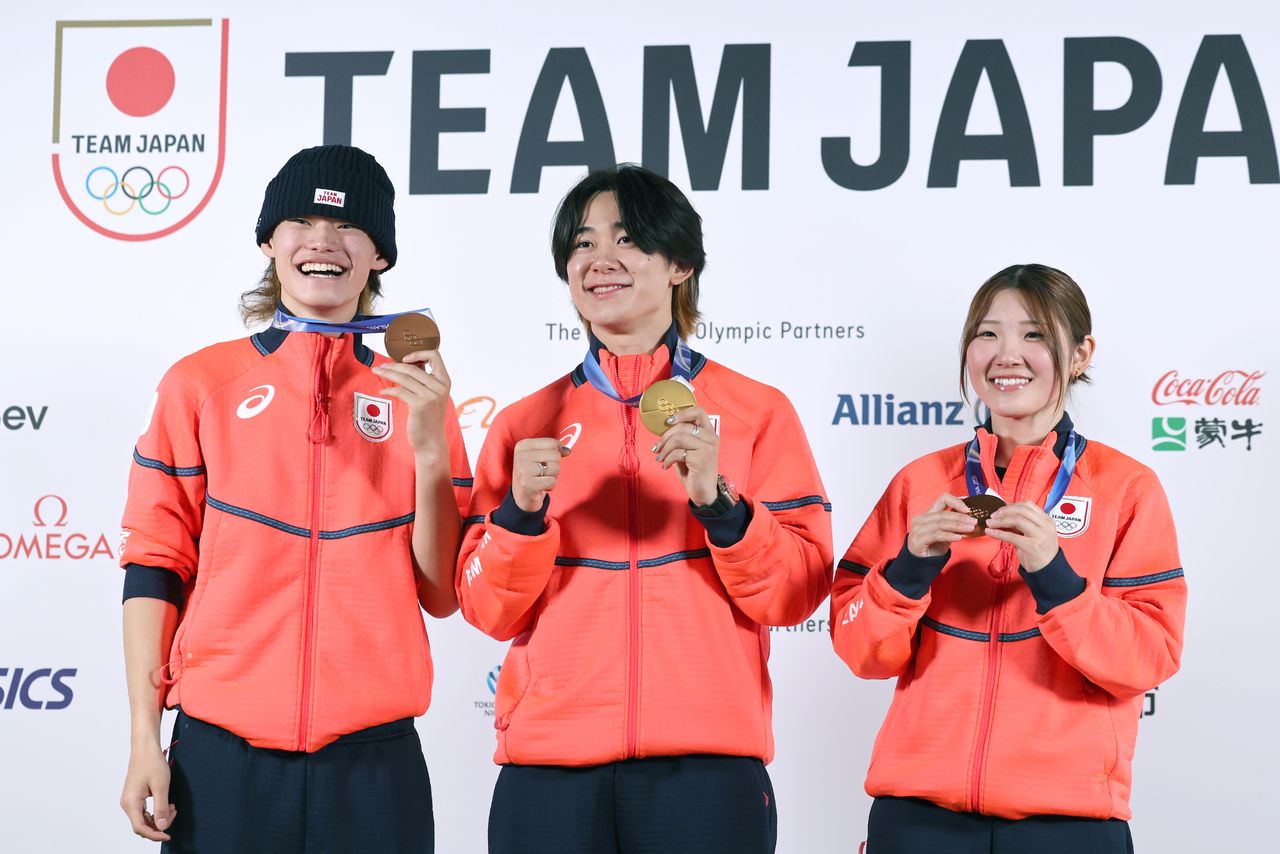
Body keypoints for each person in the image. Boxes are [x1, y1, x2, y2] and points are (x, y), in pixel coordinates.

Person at [456, 164, 833, 854]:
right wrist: (519, 515)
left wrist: (722, 507)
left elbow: (798, 592)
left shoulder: (757, 413)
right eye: (581, 245)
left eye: (626, 241)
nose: (600, 261)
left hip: (707, 772)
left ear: (679, 263)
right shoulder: (524, 423)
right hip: (549, 772)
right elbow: (487, 610)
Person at [117, 144, 469, 853]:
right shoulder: (200, 385)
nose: (324, 242)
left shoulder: (418, 396)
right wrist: (144, 739)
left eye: (349, 228)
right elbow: (154, 565)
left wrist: (430, 447)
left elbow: (441, 592)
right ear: (268, 240)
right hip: (220, 755)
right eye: (303, 220)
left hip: (375, 761)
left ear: (380, 257)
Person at [830, 263, 1187, 853]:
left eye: (1035, 335)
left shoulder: (1126, 487)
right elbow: (861, 652)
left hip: (1069, 823)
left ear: (1080, 354)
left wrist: (1056, 577)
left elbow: (1148, 659)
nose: (1007, 354)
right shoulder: (920, 483)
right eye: (988, 333)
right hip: (918, 818)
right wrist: (911, 568)